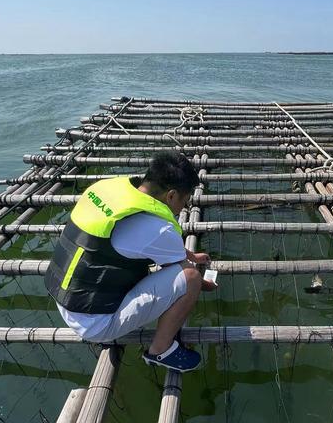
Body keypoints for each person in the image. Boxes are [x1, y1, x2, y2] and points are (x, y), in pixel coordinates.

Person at [45, 151, 216, 372]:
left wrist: (191, 256)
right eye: (185, 200)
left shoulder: (108, 191)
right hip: (96, 324)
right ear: (171, 196)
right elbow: (172, 258)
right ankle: (160, 351)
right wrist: (204, 283)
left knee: (184, 269)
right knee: (190, 278)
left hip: (67, 301)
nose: (183, 207)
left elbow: (142, 239)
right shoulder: (159, 229)